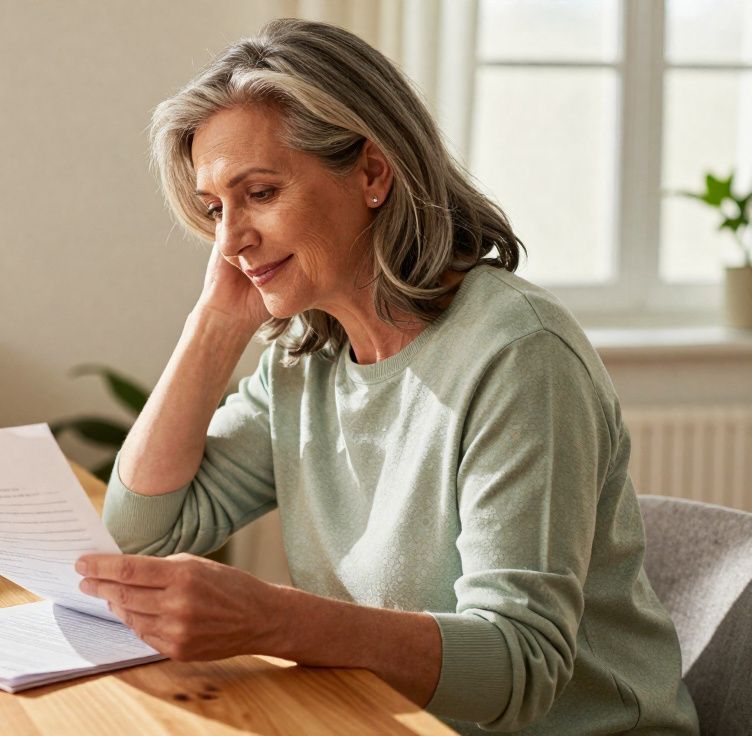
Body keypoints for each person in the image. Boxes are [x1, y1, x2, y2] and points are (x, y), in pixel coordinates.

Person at [73, 19, 698, 734]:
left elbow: (519, 667)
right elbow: (138, 538)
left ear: (372, 173)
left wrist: (273, 619)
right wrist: (215, 325)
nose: (230, 240)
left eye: (261, 194)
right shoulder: (306, 358)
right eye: (216, 209)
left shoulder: (520, 354)